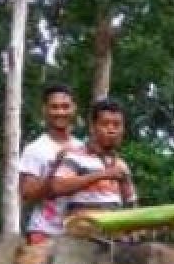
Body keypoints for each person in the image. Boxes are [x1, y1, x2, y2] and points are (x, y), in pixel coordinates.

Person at [17, 83, 83, 264]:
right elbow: (26, 193)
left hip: (78, 234)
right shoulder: (35, 149)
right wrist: (54, 171)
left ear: (74, 108)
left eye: (65, 106)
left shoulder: (83, 147)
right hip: (45, 232)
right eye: (54, 107)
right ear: (45, 110)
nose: (60, 112)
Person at [47, 97, 137, 230]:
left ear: (123, 129)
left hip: (114, 236)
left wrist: (126, 185)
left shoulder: (121, 165)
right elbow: (57, 187)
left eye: (117, 125)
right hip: (81, 237)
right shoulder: (74, 156)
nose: (111, 130)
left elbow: (131, 204)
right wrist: (103, 175)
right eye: (105, 124)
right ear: (93, 127)